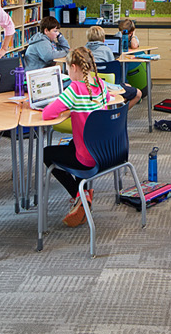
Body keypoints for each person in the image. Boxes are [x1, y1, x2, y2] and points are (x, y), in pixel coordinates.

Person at [41, 47, 123, 226]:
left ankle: (79, 195)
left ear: (74, 67)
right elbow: (107, 100)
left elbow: (47, 114)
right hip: (107, 151)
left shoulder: (74, 89)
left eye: (68, 68)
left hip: (88, 157)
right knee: (72, 144)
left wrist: (66, 106)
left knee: (46, 154)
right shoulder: (101, 85)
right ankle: (83, 195)